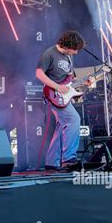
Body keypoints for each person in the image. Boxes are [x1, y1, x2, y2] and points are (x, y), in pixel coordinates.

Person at [36, 30, 91, 171]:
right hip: (53, 94)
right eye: (75, 49)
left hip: (63, 95)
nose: (76, 52)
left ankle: (52, 162)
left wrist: (83, 82)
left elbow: (69, 80)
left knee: (62, 126)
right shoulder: (50, 53)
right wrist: (57, 87)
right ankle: (68, 159)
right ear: (67, 45)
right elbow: (39, 73)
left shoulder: (68, 57)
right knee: (73, 120)